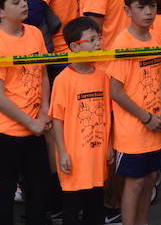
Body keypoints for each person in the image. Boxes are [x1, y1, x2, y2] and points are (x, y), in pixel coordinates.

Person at [0, 0, 53, 225]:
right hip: (4, 130)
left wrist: (44, 111)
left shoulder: (33, 33)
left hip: (34, 123)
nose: (24, 5)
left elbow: (43, 73)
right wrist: (30, 123)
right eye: (16, 1)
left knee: (40, 183)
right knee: (6, 188)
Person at [108, 0, 161, 225]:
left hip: (155, 124)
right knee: (134, 183)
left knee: (150, 178)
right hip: (132, 129)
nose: (148, 12)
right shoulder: (122, 43)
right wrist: (145, 117)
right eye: (141, 7)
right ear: (127, 10)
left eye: (152, 6)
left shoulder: (156, 38)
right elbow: (116, 90)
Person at [51, 16, 112, 225]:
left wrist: (109, 145)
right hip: (73, 158)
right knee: (72, 209)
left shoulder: (103, 76)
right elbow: (57, 119)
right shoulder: (63, 80)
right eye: (92, 40)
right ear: (75, 47)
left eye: (99, 39)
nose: (98, 44)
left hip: (96, 154)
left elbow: (106, 114)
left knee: (95, 208)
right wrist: (62, 152)